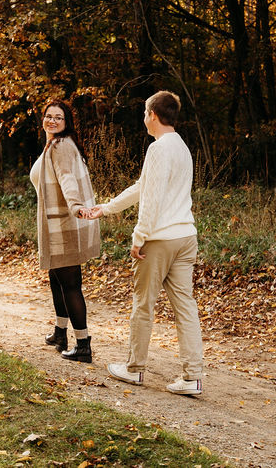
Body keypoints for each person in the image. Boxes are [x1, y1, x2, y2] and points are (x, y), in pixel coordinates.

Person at [83, 90, 203, 395]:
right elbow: (142, 186)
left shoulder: (158, 148)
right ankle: (192, 377)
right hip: (185, 237)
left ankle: (134, 369)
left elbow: (151, 200)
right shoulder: (182, 147)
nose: (144, 118)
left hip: (159, 240)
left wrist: (139, 237)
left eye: (145, 113)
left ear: (153, 115)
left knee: (143, 305)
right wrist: (106, 208)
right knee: (186, 308)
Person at [30, 99, 100, 363]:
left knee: (70, 285)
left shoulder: (60, 146)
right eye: (48, 116)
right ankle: (60, 333)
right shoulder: (56, 143)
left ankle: (83, 345)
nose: (52, 120)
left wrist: (76, 206)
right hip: (58, 223)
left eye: (58, 117)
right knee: (56, 278)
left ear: (66, 121)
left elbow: (67, 179)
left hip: (65, 224)